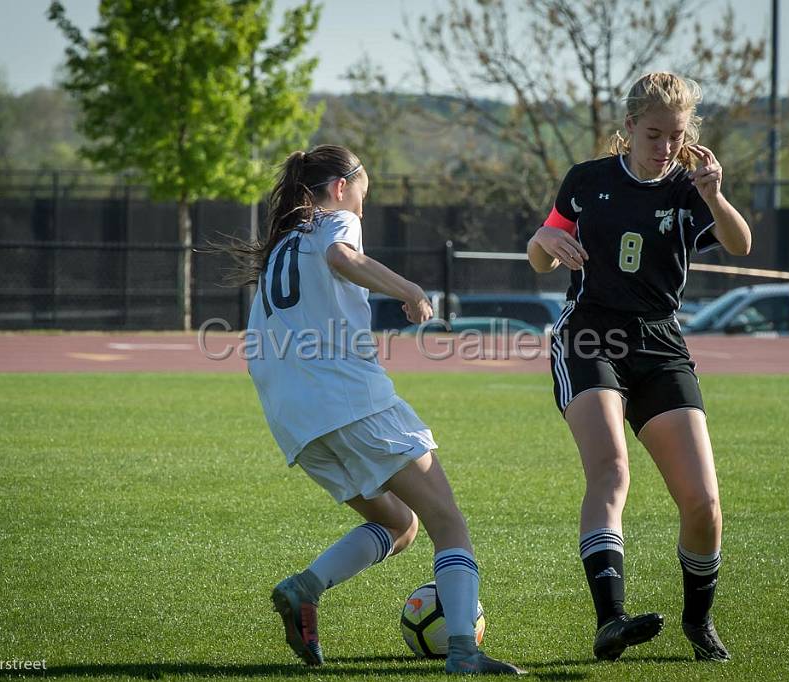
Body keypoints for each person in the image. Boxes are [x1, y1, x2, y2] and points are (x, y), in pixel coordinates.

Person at [234, 144, 524, 675]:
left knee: (400, 524)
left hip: (293, 418)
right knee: (448, 523)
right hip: (348, 400)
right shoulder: (333, 220)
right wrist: (410, 289)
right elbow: (343, 258)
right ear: (342, 187)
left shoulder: (283, 243)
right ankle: (464, 651)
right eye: (364, 192)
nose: (364, 205)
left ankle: (305, 588)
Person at [526, 72, 752, 663]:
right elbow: (540, 252)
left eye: (676, 135)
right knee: (611, 471)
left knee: (703, 503)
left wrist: (714, 195)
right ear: (628, 128)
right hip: (589, 337)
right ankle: (611, 620)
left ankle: (698, 622)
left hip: (660, 343)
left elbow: (740, 244)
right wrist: (545, 244)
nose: (666, 146)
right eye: (654, 134)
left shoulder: (687, 187)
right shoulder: (588, 180)